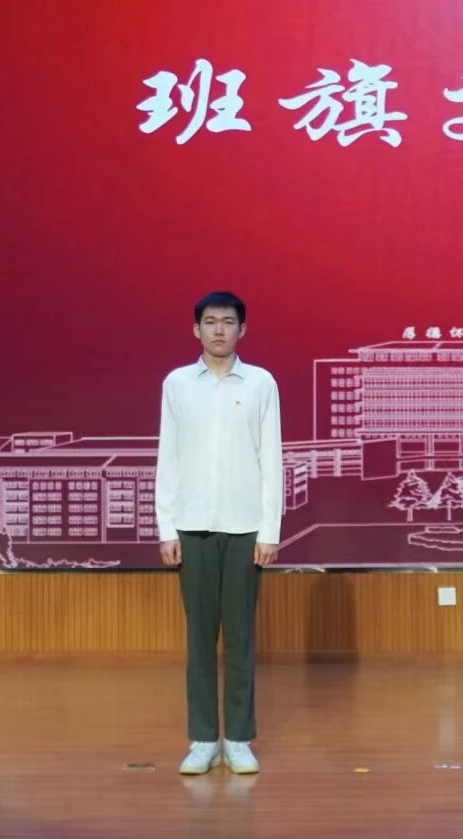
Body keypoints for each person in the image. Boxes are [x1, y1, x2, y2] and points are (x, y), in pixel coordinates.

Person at [156, 291, 282, 776]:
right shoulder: (177, 384)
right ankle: (204, 739)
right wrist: (166, 526)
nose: (219, 330)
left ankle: (240, 739)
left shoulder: (261, 383)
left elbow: (271, 459)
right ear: (196, 330)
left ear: (242, 330)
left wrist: (269, 530)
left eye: (228, 322)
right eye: (210, 322)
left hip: (246, 527)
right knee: (199, 639)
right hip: (192, 527)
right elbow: (168, 457)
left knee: (241, 638)